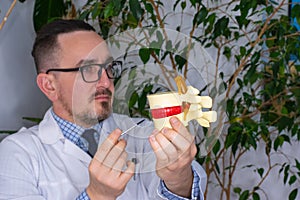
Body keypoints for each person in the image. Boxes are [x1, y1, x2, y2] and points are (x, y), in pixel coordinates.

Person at [0, 19, 206, 200]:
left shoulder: (144, 134)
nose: (106, 82)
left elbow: (182, 193)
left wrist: (179, 178)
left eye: (109, 68)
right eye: (88, 69)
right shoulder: (18, 154)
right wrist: (97, 196)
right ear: (49, 86)